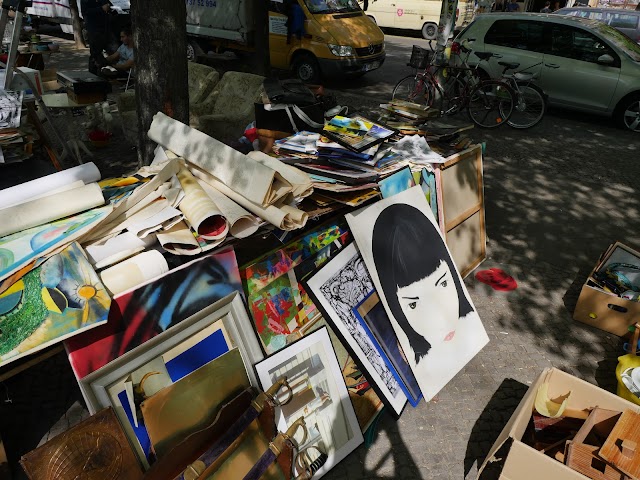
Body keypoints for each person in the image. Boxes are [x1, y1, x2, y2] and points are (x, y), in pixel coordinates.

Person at [371, 203, 487, 400]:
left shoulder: (467, 326)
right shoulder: (416, 358)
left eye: (443, 284)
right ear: (395, 305)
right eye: (413, 304)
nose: (439, 319)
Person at [81, 0, 117, 74]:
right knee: (96, 54)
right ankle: (94, 74)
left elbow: (109, 5)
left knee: (113, 51)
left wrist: (111, 10)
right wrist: (101, 9)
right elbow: (85, 12)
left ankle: (111, 71)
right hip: (95, 30)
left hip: (107, 28)